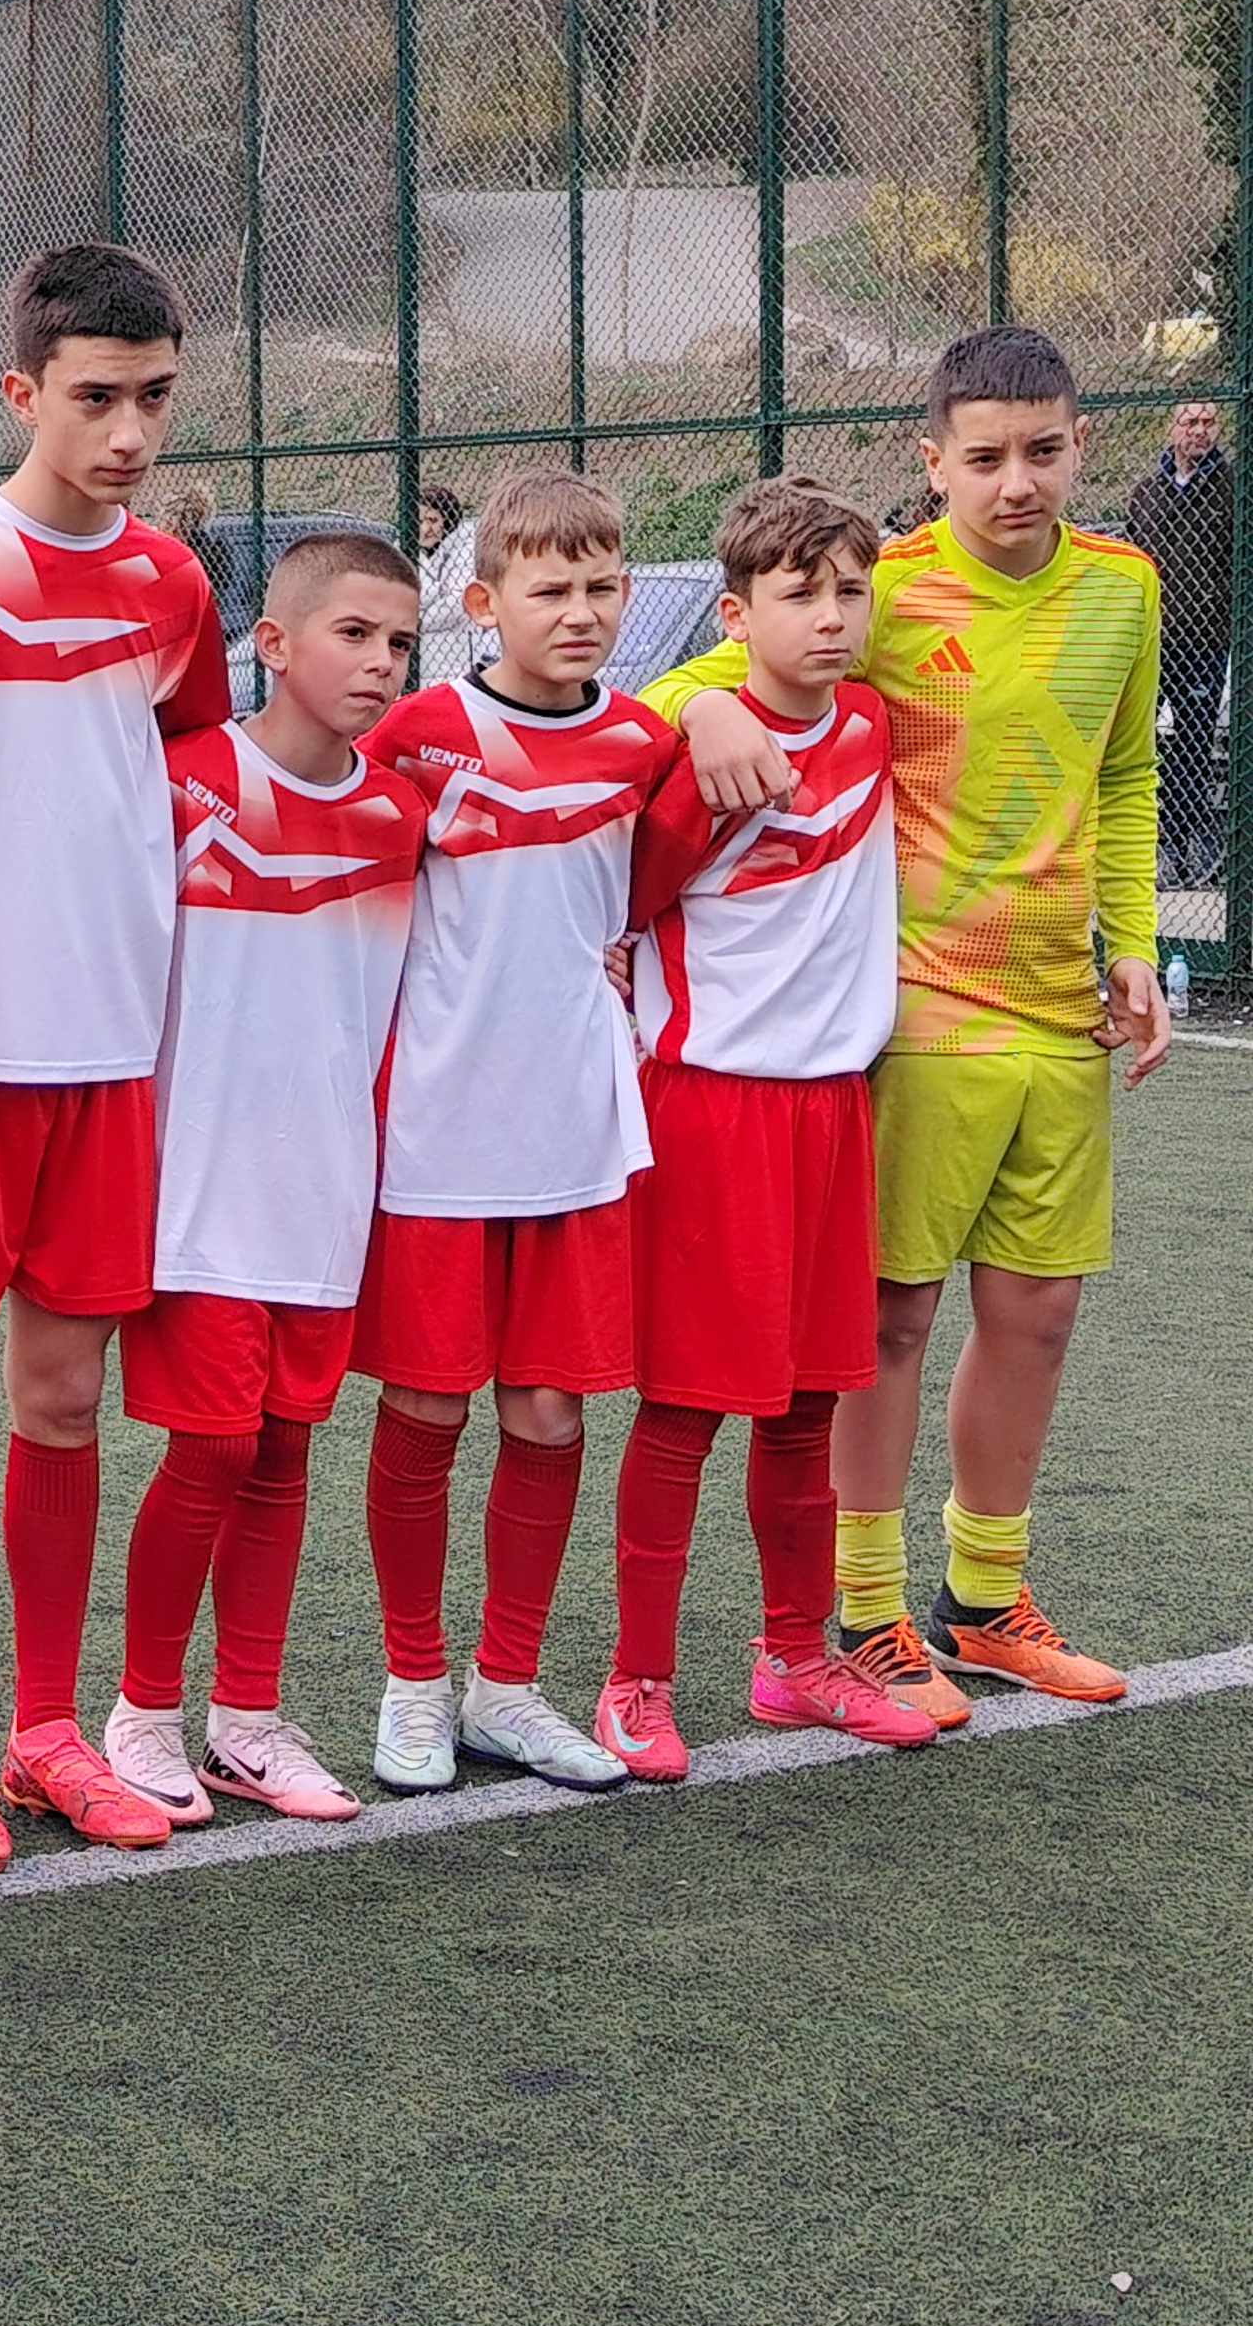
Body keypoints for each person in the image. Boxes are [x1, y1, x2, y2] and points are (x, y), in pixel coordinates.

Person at [662, 326, 1167, 1716]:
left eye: (1044, 451)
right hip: (918, 1007)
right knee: (887, 1320)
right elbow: (699, 681)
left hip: (1060, 1012)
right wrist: (699, 718)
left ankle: (985, 1602)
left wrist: (1131, 942)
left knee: (1039, 1314)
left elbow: (1126, 776)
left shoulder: (1124, 587)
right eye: (985, 457)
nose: (1018, 482)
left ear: (1083, 445)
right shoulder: (877, 587)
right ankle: (869, 1610)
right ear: (931, 460)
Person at [0, 243, 234, 1875]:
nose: (130, 431)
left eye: (154, 397)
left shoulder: (172, 585)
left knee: (66, 1398)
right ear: (21, 392)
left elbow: (197, 755)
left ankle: (44, 1731)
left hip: (108, 1044)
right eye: (97, 397)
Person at [595, 480, 937, 1778]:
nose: (833, 616)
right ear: (737, 616)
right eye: (801, 595)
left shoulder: (873, 722)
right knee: (686, 1408)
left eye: (852, 591)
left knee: (805, 1408)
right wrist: (705, 703)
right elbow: (622, 904)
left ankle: (795, 1658)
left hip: (832, 1109)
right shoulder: (696, 750)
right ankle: (635, 1680)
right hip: (711, 1107)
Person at [352, 465, 678, 1794]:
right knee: (426, 1402)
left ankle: (508, 1684)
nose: (581, 612)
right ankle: (413, 1682)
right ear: (484, 602)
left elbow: (669, 894)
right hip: (438, 1127)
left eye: (602, 587)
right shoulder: (423, 732)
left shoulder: (646, 741)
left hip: (576, 1127)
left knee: (547, 1412)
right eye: (551, 589)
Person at [104, 530, 428, 1826]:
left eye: (400, 642)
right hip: (195, 1190)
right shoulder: (184, 782)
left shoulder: (401, 817)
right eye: (354, 633)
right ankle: (140, 1711)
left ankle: (245, 1718)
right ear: (273, 643)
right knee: (213, 1448)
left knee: (285, 1446)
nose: (381, 661)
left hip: (326, 1195)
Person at [1123, 395, 1229, 883]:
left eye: (1208, 421)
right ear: (1173, 429)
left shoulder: (1231, 490)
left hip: (1204, 641)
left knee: (1192, 743)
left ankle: (1185, 842)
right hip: (1153, 640)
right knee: (1137, 737)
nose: (1199, 430)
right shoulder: (1146, 494)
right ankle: (1147, 840)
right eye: (1190, 421)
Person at [414, 480, 480, 686]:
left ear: (447, 520)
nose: (425, 528)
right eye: (419, 520)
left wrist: (415, 621)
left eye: (433, 520)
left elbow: (458, 603)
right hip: (416, 658)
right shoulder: (405, 549)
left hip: (455, 656)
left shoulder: (465, 550)